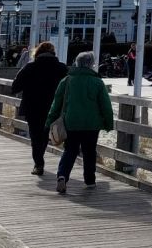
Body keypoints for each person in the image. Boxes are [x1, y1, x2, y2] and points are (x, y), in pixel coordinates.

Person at [46, 51, 114, 195]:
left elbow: (56, 104)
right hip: (91, 124)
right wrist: (108, 123)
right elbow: (106, 106)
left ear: (77, 63)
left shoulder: (67, 81)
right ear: (91, 64)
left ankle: (62, 175)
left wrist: (49, 121)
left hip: (71, 122)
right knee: (89, 152)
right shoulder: (97, 82)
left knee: (70, 150)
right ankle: (90, 181)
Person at [10, 41, 69, 176]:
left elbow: (15, 87)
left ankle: (39, 164)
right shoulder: (62, 68)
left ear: (37, 53)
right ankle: (64, 167)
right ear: (53, 53)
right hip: (54, 109)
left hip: (33, 108)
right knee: (47, 135)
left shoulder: (30, 68)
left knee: (36, 137)